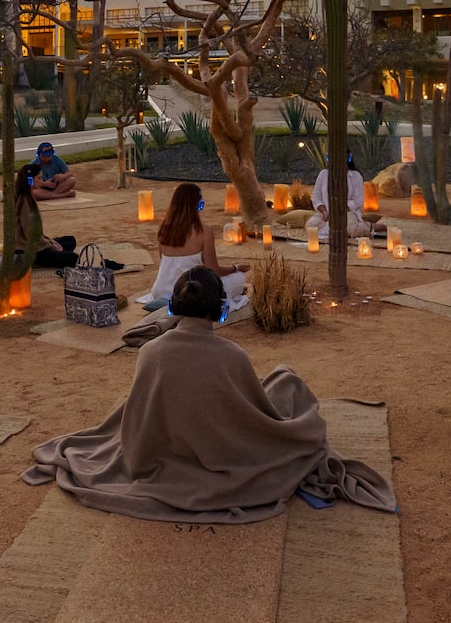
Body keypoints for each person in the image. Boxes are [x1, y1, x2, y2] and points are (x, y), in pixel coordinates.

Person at [24, 266, 396, 520]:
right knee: (287, 381)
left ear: (176, 305)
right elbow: (255, 411)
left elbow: (141, 416)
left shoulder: (151, 351)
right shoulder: (232, 356)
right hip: (220, 447)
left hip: (160, 450)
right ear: (219, 309)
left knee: (125, 406)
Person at [139, 181, 248, 312]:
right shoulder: (204, 231)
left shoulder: (163, 229)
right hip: (191, 292)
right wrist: (235, 268)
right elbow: (213, 271)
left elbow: (166, 263)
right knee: (239, 279)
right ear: (197, 205)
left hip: (161, 290)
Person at [13, 163, 79, 267]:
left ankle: (53, 252)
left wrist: (50, 241)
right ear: (30, 180)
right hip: (27, 250)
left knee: (69, 240)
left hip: (34, 245)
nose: (41, 181)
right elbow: (31, 234)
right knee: (73, 258)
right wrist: (49, 245)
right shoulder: (25, 200)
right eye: (39, 178)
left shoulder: (28, 196)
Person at [311, 152, 367, 242]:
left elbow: (358, 200)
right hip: (327, 213)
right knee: (311, 226)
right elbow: (316, 198)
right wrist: (324, 211)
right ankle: (333, 227)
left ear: (348, 158)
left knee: (350, 229)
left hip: (347, 212)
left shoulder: (355, 176)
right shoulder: (323, 174)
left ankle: (371, 226)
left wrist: (339, 210)